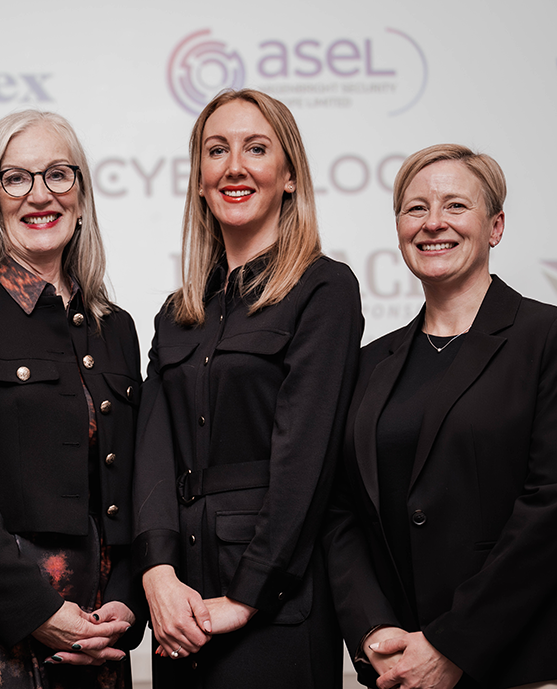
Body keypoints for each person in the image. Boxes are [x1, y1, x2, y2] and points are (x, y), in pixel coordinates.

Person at [324, 144, 557, 689]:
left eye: (456, 206)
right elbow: (342, 513)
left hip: (530, 658)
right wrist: (374, 633)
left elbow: (555, 505)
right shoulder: (368, 363)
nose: (434, 223)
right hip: (402, 659)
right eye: (415, 209)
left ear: (495, 226)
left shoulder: (553, 337)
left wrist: (451, 644)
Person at [132, 88, 363, 688]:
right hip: (179, 610)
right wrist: (157, 574)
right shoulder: (177, 311)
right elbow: (153, 448)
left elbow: (305, 458)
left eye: (256, 148)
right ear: (201, 181)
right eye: (217, 151)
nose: (234, 166)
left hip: (275, 608)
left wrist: (247, 595)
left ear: (288, 176)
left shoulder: (324, 290)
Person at [0, 110, 143, 689]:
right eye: (16, 178)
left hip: (94, 628)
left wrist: (126, 606)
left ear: (82, 195)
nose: (41, 194)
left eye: (59, 175)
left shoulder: (118, 327)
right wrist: (37, 612)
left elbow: (134, 486)